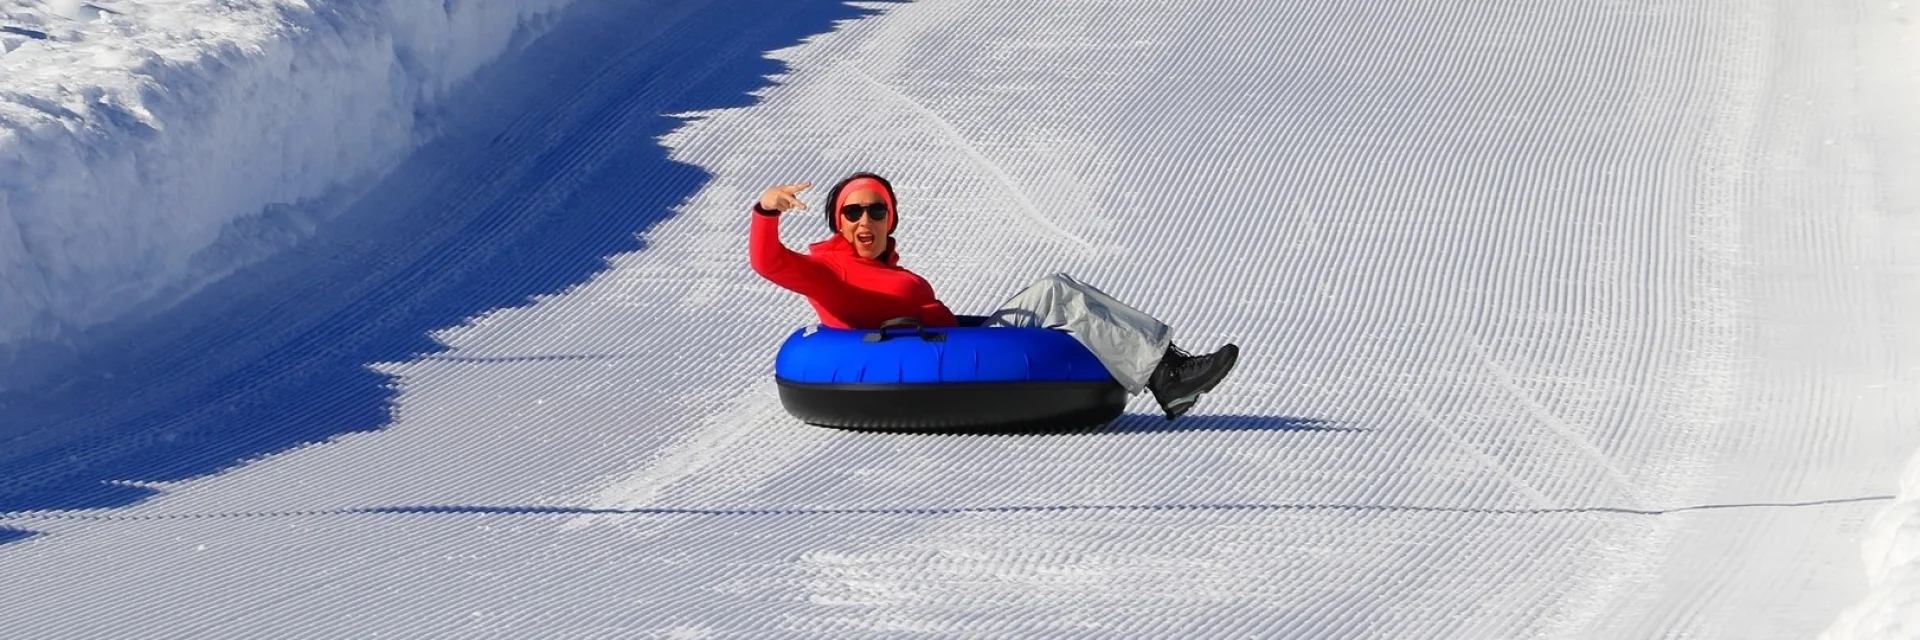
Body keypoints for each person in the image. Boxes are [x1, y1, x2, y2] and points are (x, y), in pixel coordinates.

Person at [748, 172, 1239, 421]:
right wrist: (766, 210)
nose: (865, 222)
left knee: (1058, 289)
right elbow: (769, 263)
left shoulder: (883, 267)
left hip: (959, 338)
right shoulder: (827, 269)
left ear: (890, 218)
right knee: (1058, 294)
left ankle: (1165, 365)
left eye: (877, 211)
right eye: (853, 211)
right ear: (838, 220)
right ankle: (1167, 375)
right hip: (936, 351)